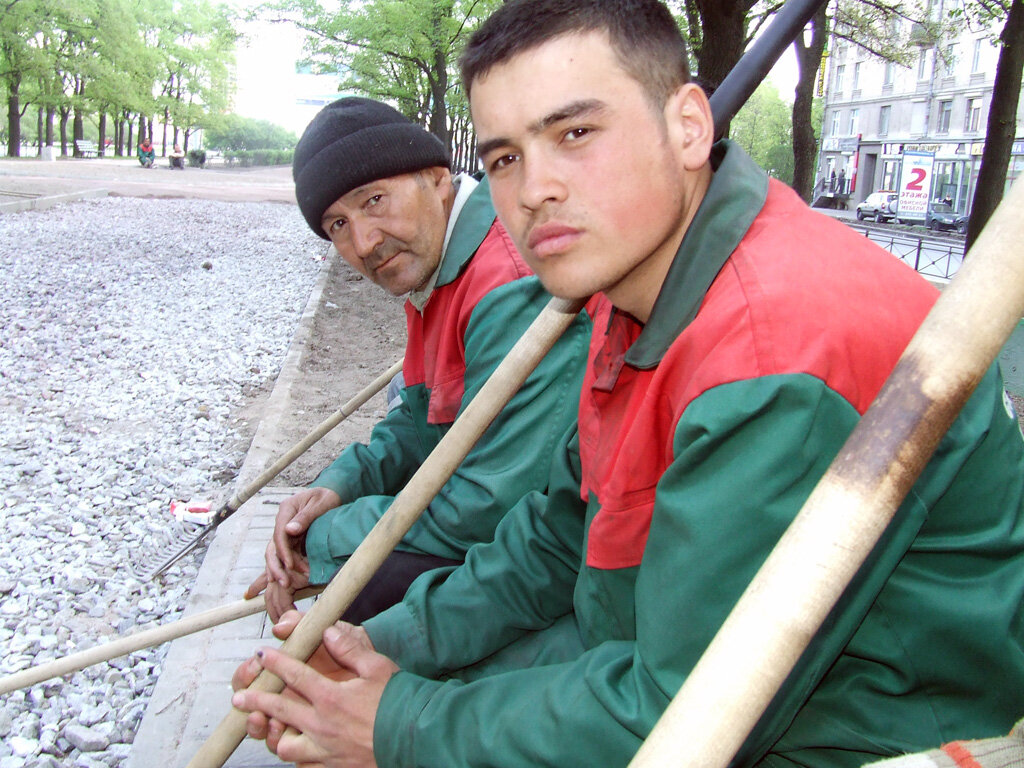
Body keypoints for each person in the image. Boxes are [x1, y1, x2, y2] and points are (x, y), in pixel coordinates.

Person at [231, 2, 1024, 766]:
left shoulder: (769, 355)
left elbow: (687, 714)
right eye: (505, 156)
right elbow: (555, 535)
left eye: (575, 133)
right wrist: (366, 650)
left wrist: (399, 724)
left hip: (853, 730)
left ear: (687, 126)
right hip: (659, 652)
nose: (534, 188)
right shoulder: (633, 294)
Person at [242, 96, 590, 623]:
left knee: (356, 594)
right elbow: (418, 416)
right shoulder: (433, 265)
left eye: (374, 199)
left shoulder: (511, 284)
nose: (364, 242)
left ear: (437, 178)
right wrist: (337, 489)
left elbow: (488, 506)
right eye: (337, 225)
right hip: (515, 535)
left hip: (569, 563)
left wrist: (324, 541)